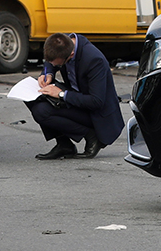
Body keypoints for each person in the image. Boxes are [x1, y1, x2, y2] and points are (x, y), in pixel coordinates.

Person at [27, 32, 125, 160]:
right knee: (34, 96)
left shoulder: (94, 60)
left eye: (58, 65)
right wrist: (48, 73)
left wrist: (61, 94)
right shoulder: (63, 42)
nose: (56, 66)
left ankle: (92, 136)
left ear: (71, 55)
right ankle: (64, 145)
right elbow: (50, 63)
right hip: (76, 98)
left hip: (96, 112)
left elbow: (96, 101)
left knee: (42, 111)